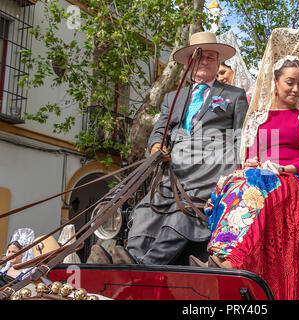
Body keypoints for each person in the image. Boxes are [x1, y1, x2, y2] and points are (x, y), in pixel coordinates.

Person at [191, 28, 299, 300]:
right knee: (235, 182)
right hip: (263, 176)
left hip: (297, 181)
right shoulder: (257, 117)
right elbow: (250, 155)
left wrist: (285, 169)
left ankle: (232, 262)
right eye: (290, 82)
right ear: (276, 83)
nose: (295, 89)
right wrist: (253, 162)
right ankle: (219, 255)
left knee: (259, 184)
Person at [87, 31, 249, 266]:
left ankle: (145, 265)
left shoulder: (234, 95)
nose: (204, 61)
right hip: (173, 171)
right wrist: (155, 146)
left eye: (210, 57)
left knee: (183, 214)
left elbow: (240, 137)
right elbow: (159, 129)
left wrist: (233, 173)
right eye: (199, 56)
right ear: (190, 62)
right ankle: (128, 259)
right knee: (145, 210)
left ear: (217, 63)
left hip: (211, 172)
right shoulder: (173, 97)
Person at [217, 30, 255, 103]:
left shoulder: (254, 94)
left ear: (235, 69)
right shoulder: (219, 100)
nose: (219, 79)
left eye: (222, 73)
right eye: (216, 76)